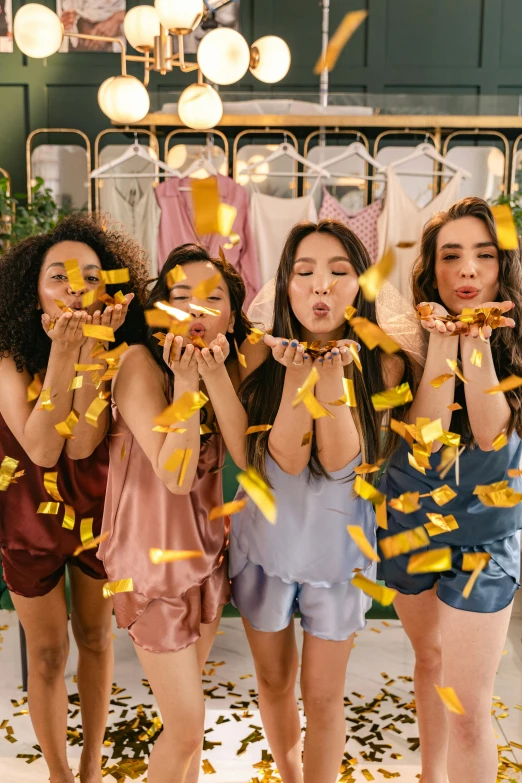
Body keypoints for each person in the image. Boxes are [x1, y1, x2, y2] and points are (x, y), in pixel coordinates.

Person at [230, 219, 413, 783]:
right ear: (285, 286)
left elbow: (337, 460)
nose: (321, 286)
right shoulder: (258, 356)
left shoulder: (384, 364)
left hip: (337, 555)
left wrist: (328, 374)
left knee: (325, 696)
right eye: (304, 272)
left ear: (361, 287)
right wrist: (295, 370)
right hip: (264, 545)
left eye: (339, 272)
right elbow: (284, 456)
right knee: (276, 683)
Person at [378, 197, 522, 783]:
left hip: (485, 538)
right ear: (431, 269)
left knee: (469, 709)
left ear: (502, 267)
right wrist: (440, 341)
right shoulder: (401, 339)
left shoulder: (516, 336)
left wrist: (476, 339)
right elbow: (426, 443)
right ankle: (429, 776)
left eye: (484, 256)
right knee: (428, 657)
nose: (468, 270)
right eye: (452, 256)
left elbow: (489, 436)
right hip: (412, 519)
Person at [0, 213, 148, 783]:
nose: (76, 286)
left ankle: (90, 767)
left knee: (94, 637)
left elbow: (83, 441)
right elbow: (39, 450)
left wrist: (88, 351)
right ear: (32, 291)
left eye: (90, 274)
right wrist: (63, 352)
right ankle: (59, 774)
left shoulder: (117, 349)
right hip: (25, 523)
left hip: (94, 513)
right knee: (46, 655)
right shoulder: (10, 356)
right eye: (58, 276)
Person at [98, 244, 250, 783]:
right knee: (186, 727)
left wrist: (213, 377)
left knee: (188, 722)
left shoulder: (227, 367)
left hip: (205, 557)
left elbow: (244, 453)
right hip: (151, 566)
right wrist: (186, 384)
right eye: (180, 296)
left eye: (214, 298)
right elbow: (175, 475)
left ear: (233, 314)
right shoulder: (139, 363)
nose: (195, 310)